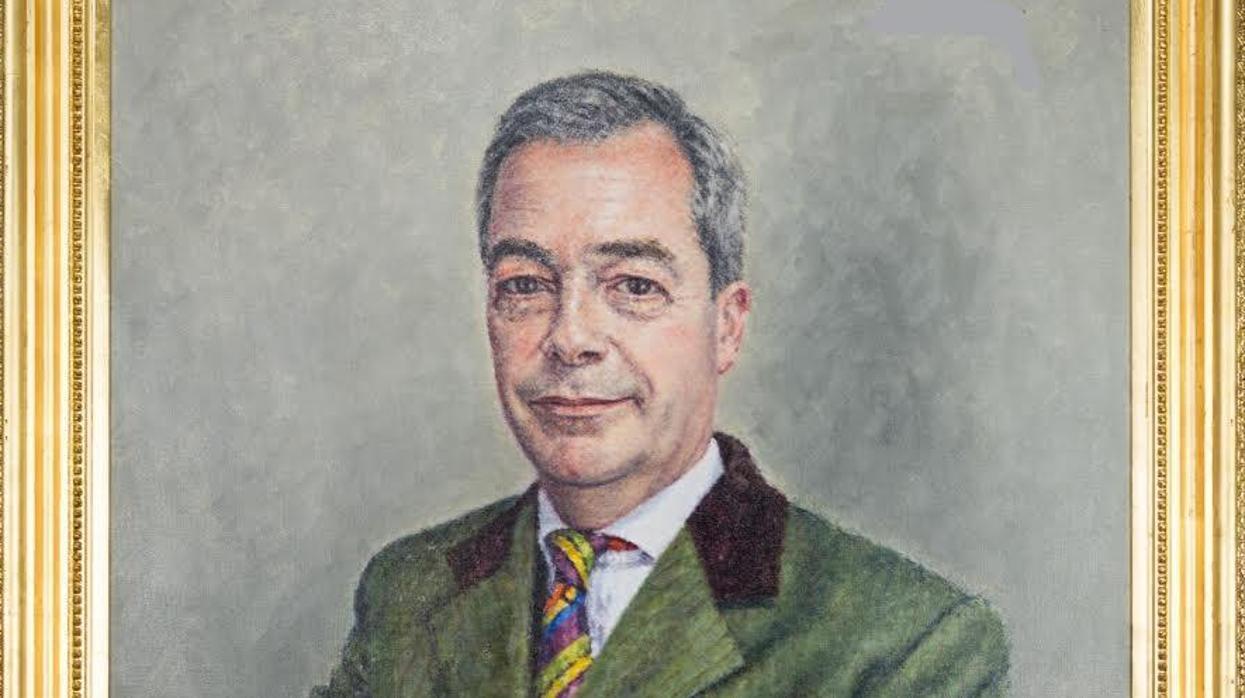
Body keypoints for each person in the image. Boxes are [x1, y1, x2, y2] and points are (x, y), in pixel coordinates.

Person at [312, 71, 1008, 697]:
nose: (570, 337)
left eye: (634, 286)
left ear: (726, 326)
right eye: (525, 285)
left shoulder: (907, 644)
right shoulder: (409, 591)